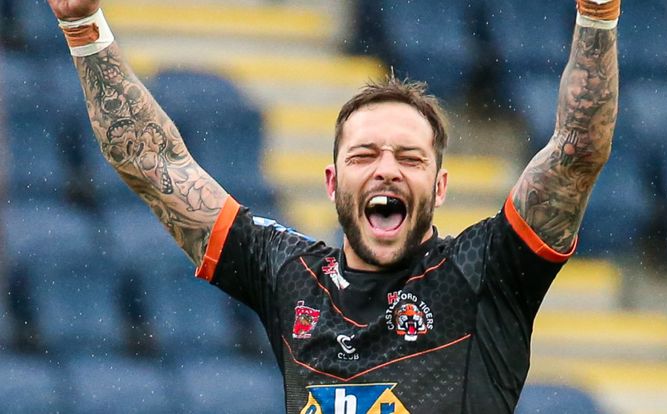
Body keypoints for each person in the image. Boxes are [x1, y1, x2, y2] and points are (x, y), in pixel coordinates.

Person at [45, 0, 620, 412]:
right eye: (365, 153)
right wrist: (83, 26)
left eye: (411, 158)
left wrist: (596, 13)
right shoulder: (288, 277)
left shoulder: (485, 273)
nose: (387, 168)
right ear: (332, 181)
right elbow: (156, 166)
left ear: (440, 187)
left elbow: (575, 154)